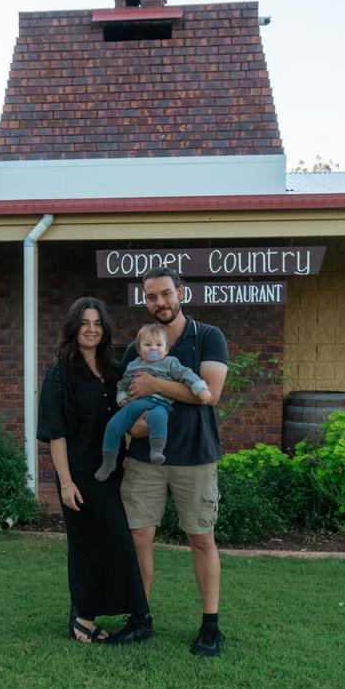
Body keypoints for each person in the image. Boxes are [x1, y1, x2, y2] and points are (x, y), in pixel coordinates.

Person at [119, 268, 229, 657]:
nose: (159, 303)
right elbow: (126, 396)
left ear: (182, 292)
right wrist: (136, 421)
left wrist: (155, 385)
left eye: (165, 294)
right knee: (138, 537)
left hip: (195, 457)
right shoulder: (138, 346)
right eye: (151, 297)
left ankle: (210, 626)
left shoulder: (208, 337)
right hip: (144, 459)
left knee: (201, 538)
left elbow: (210, 393)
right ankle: (141, 618)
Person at [36, 297, 152, 645]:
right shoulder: (60, 373)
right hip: (80, 475)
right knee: (89, 544)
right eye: (85, 323)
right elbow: (55, 431)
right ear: (74, 328)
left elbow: (130, 415)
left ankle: (98, 612)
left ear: (105, 329)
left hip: (113, 470)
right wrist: (66, 483)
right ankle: (83, 619)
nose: (91, 329)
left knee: (112, 542)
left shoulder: (115, 370)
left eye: (97, 323)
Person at [95, 322, 212, 481]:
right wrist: (121, 396)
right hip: (135, 404)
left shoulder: (170, 363)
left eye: (159, 344)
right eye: (147, 344)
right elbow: (122, 383)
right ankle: (108, 462)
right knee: (113, 425)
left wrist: (201, 389)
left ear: (166, 349)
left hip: (160, 404)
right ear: (139, 349)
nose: (153, 348)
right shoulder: (133, 365)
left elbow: (187, 375)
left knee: (158, 417)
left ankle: (157, 450)